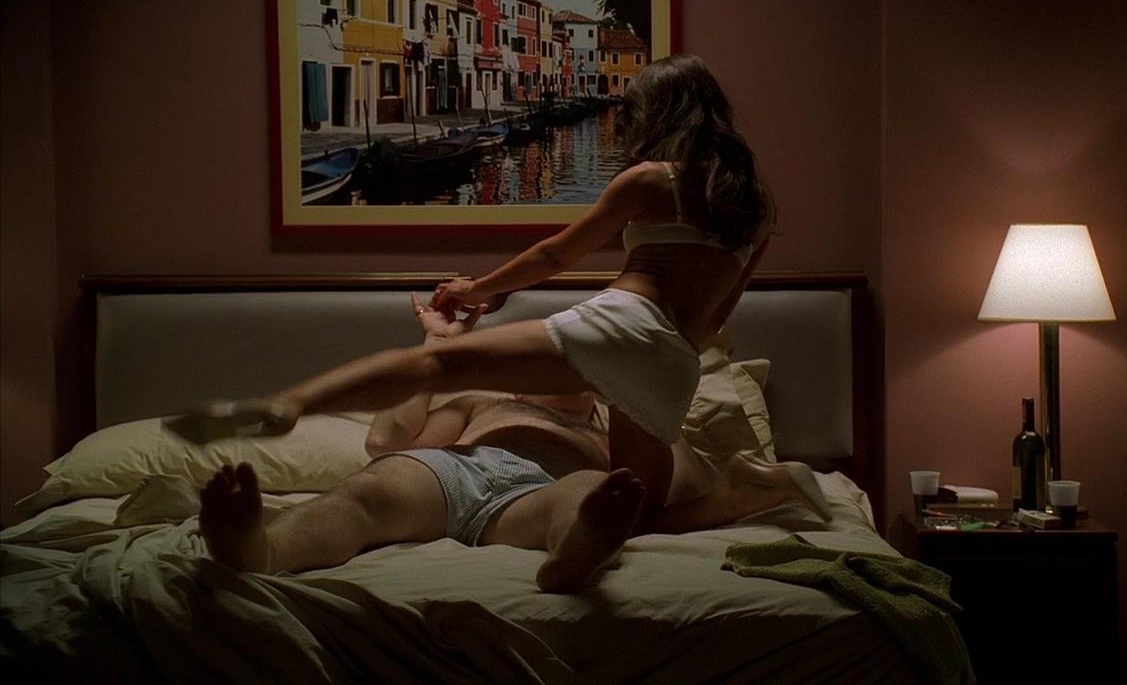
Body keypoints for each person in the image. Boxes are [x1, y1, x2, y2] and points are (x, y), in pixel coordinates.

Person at [176, 53, 775, 525]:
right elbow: (715, 319)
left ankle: (288, 406)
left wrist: (479, 289)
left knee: (436, 366)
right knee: (640, 514)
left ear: (660, 113)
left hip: (626, 324)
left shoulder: (649, 180)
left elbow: (555, 255)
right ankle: (766, 490)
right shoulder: (756, 209)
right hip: (675, 361)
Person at [196, 300, 829, 594]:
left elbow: (679, 490)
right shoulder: (483, 401)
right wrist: (437, 346)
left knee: (587, 495)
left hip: (541, 494)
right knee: (367, 493)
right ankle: (262, 548)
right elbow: (385, 440)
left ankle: (571, 557)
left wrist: (642, 400)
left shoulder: (618, 429)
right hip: (456, 472)